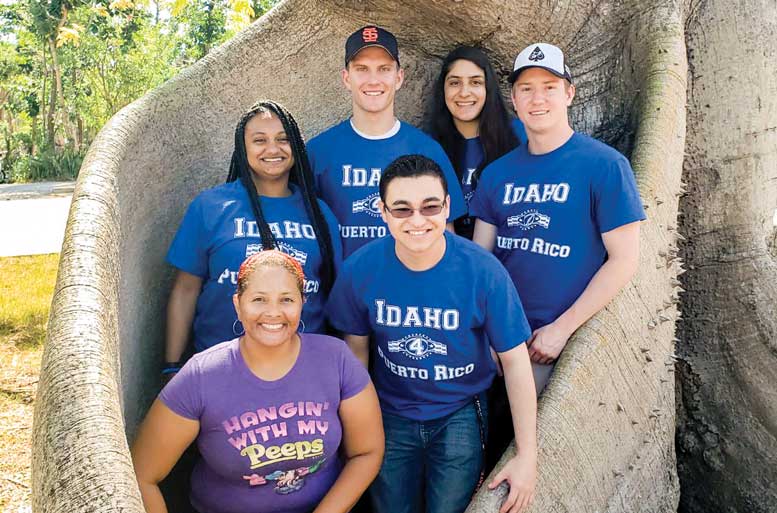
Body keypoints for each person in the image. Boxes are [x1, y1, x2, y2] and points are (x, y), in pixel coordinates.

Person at [326, 155, 537, 513]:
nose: (417, 220)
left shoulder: (483, 271)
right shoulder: (360, 269)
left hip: (460, 410)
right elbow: (356, 354)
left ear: (447, 207)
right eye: (402, 209)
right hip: (388, 410)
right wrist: (357, 430)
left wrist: (527, 455)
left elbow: (515, 361)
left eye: (430, 207)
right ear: (383, 211)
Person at [132, 250, 384, 513]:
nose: (273, 312)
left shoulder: (336, 358)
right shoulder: (201, 376)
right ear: (238, 304)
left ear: (302, 302)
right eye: (259, 300)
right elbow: (142, 475)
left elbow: (367, 452)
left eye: (286, 299)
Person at [470, 43, 646, 394]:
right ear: (514, 100)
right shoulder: (496, 174)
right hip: (497, 339)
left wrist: (562, 329)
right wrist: (487, 332)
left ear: (569, 94)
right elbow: (479, 261)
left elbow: (624, 260)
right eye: (526, 89)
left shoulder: (605, 166)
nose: (537, 99)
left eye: (549, 87)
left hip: (558, 343)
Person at [164, 100, 343, 377]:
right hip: (220, 371)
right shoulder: (211, 207)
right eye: (260, 140)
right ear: (242, 148)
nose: (273, 149)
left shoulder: (319, 214)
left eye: (283, 139)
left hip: (303, 372)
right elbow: (185, 289)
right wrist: (172, 366)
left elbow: (335, 296)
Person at [307, 25, 466, 258]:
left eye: (384, 69)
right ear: (346, 78)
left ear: (399, 77)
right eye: (362, 69)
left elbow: (446, 236)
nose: (373, 80)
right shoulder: (318, 151)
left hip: (411, 279)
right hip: (344, 280)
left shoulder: (427, 150)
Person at [427, 45, 526, 240]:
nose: (464, 92)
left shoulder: (519, 136)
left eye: (475, 82)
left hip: (509, 248)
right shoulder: (429, 146)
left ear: (488, 88)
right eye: (454, 83)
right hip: (451, 250)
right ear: (443, 89)